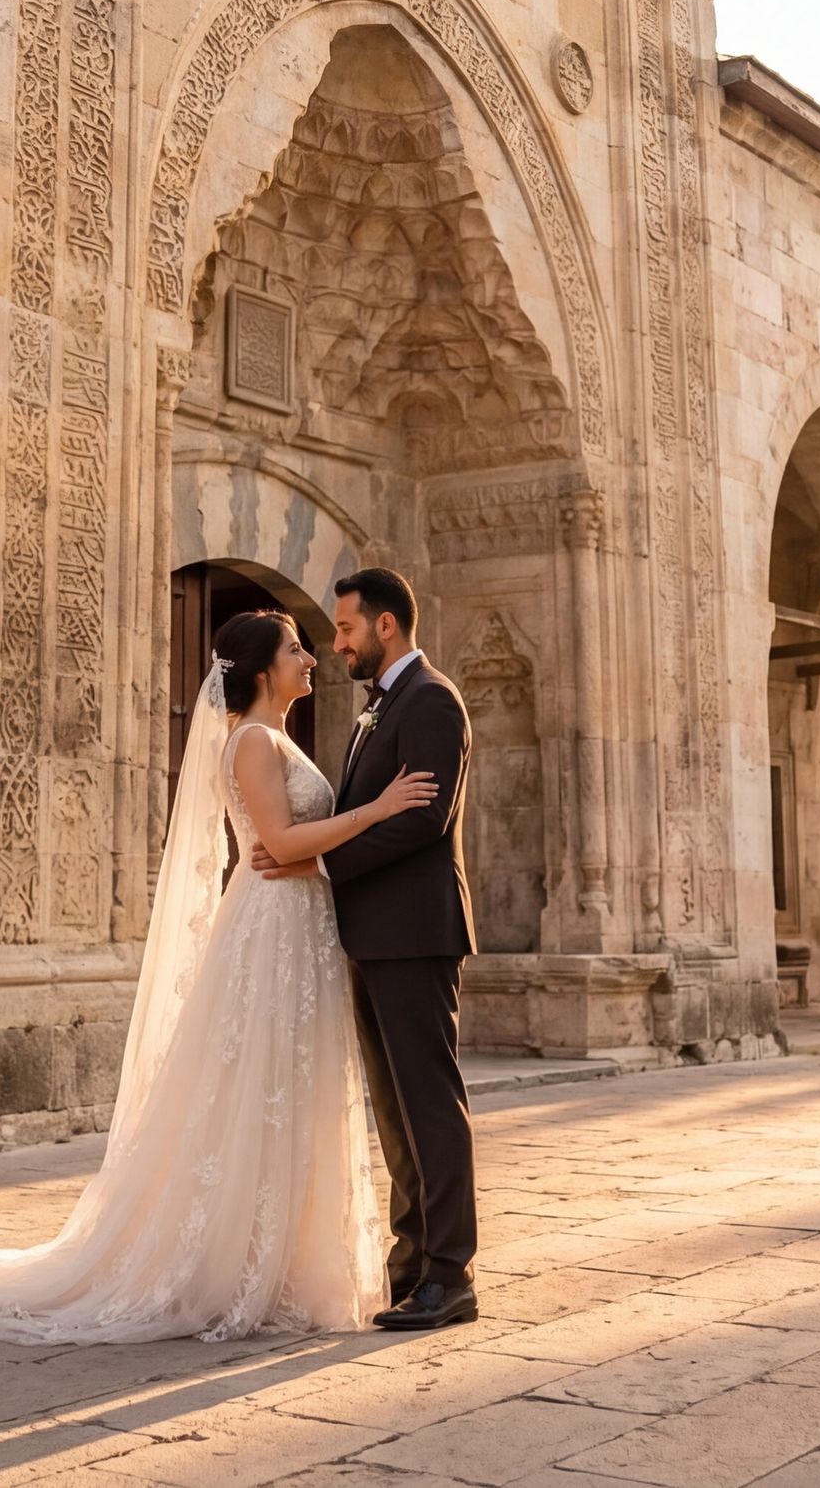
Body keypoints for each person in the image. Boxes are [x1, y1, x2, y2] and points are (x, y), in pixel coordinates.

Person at [0, 607, 436, 1342]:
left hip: (299, 925)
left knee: (292, 1089)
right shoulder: (253, 740)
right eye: (296, 648)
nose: (311, 657)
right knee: (262, 1085)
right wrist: (379, 809)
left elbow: (286, 846)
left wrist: (318, 844)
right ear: (262, 668)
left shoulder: (272, 736)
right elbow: (280, 838)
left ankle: (283, 1255)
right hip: (273, 928)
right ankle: (231, 1260)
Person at [250, 566, 480, 1329]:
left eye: (345, 628)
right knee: (395, 1110)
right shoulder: (375, 712)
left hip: (416, 933)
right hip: (372, 935)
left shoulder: (432, 701)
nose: (336, 642)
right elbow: (368, 811)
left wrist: (315, 861)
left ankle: (452, 1273)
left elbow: (423, 820)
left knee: (429, 1103)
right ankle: (412, 1264)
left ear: (386, 626)